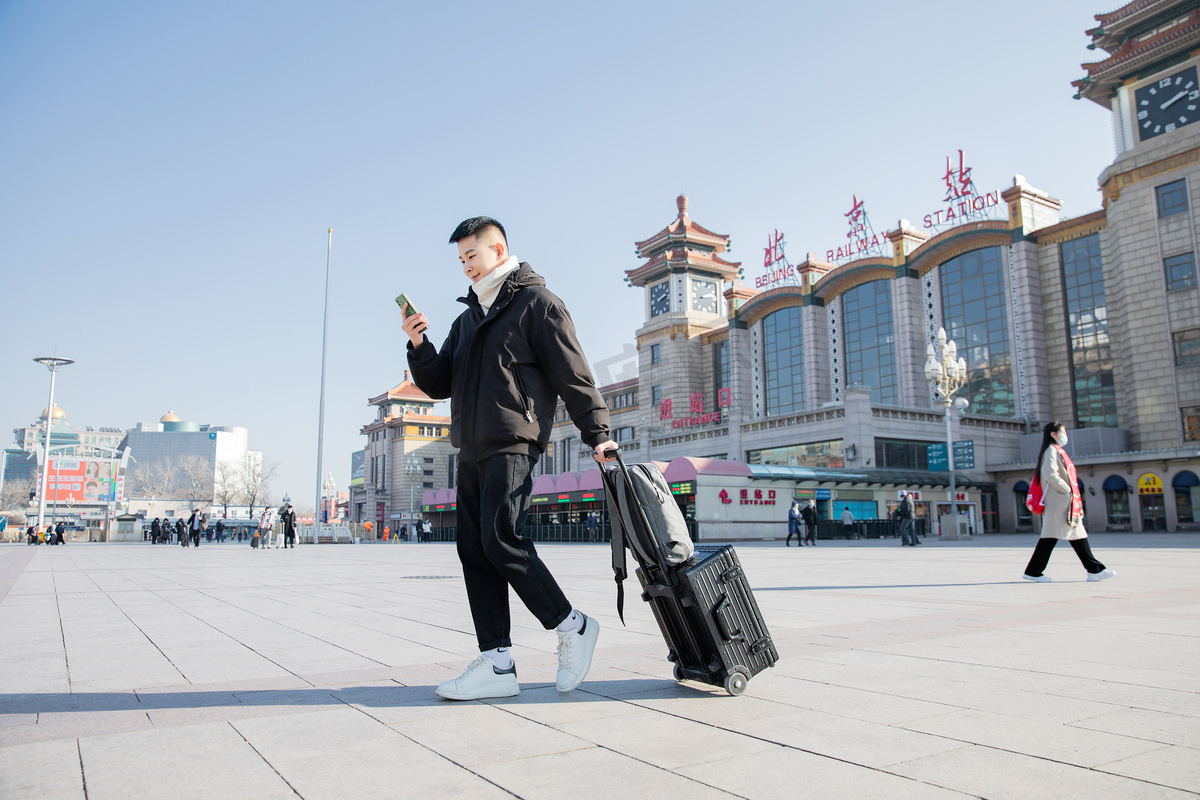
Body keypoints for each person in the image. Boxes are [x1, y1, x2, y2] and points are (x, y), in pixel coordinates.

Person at [405, 216, 617, 701]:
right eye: (460, 260)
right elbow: (438, 384)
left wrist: (598, 433)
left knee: (502, 540)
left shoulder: (537, 304)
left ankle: (572, 625)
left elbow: (573, 373)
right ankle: (497, 663)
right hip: (472, 446)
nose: (465, 268)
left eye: (471, 257)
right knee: (474, 550)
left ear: (498, 251)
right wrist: (419, 344)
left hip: (514, 440)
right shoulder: (468, 320)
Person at [1023, 422, 1115, 582]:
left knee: (1072, 535)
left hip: (1063, 503)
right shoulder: (1051, 450)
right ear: (1053, 434)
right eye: (1063, 432)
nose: (1065, 436)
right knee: (1056, 537)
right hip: (1059, 502)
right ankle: (1034, 571)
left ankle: (1094, 569)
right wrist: (1067, 490)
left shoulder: (1056, 450)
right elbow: (1049, 473)